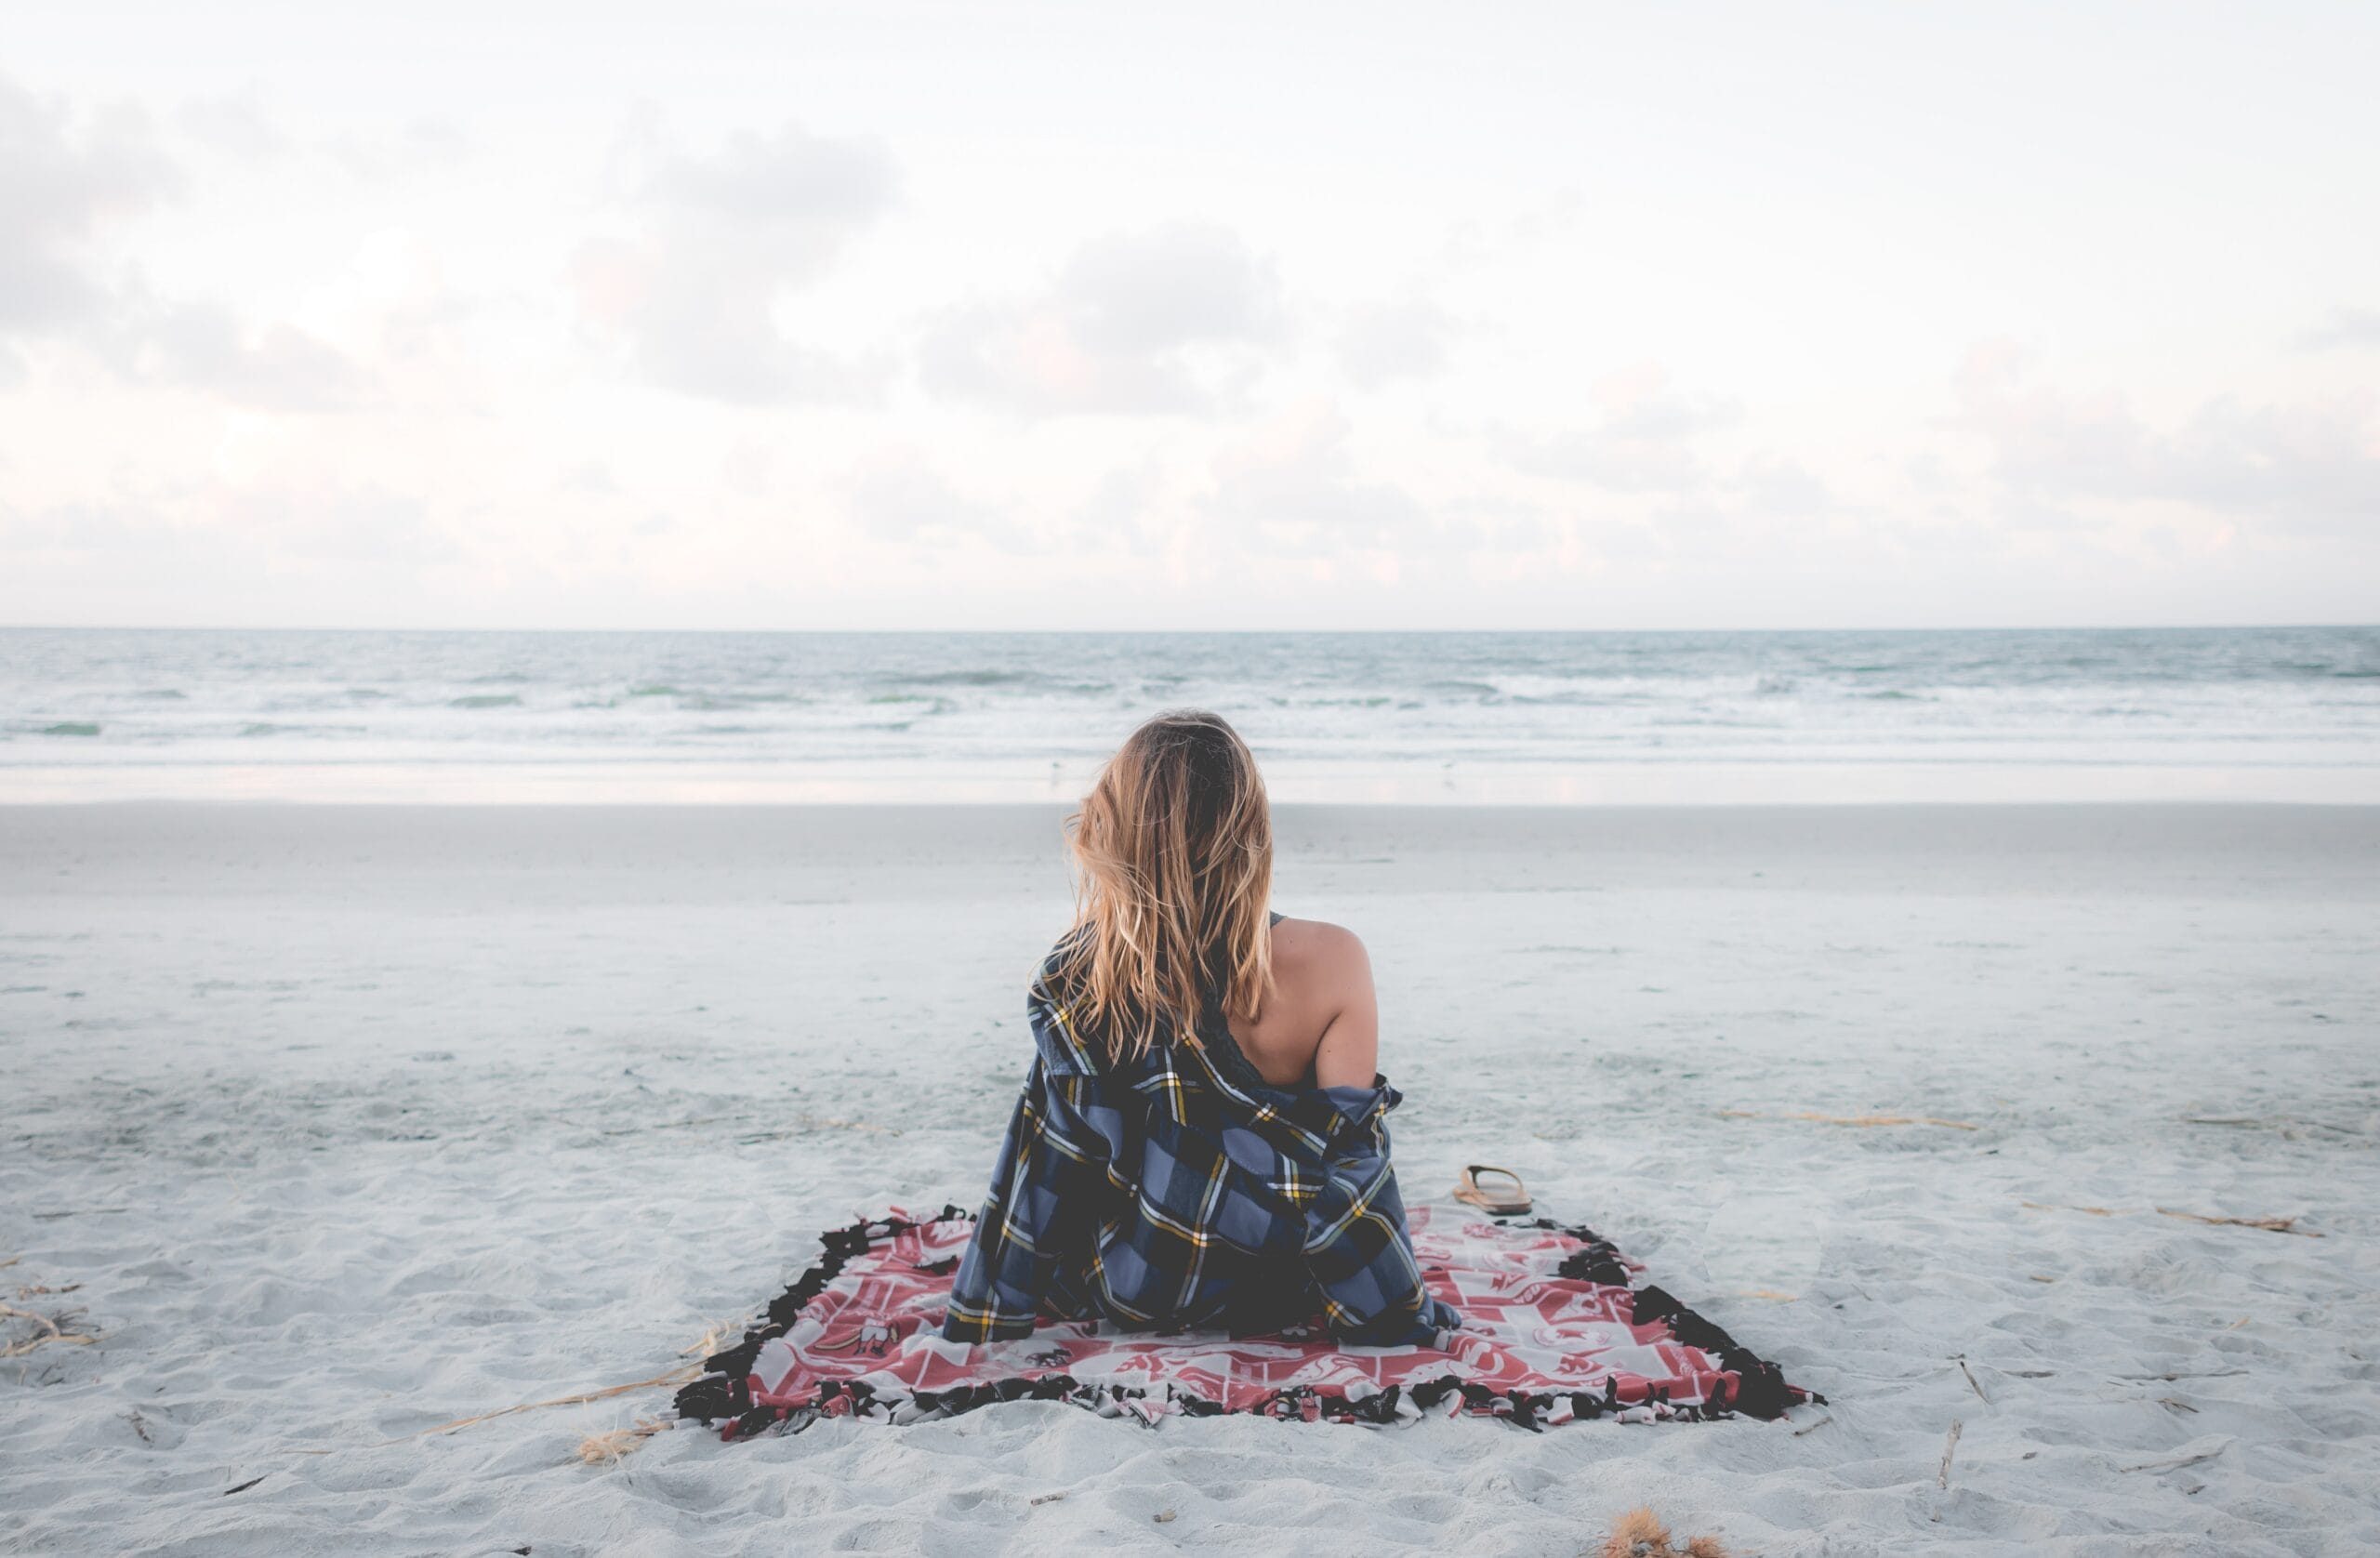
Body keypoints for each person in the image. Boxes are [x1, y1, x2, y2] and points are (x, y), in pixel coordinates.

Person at [940, 710, 1458, 1347]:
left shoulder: (1082, 971)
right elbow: (1350, 1167)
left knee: (1050, 1101)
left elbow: (1052, 1163)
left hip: (1142, 1287)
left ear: (1124, 833)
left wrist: (982, 1322)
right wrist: (1392, 1310)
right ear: (1251, 828)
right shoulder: (1333, 958)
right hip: (1288, 1288)